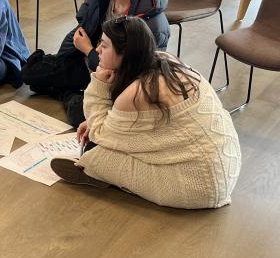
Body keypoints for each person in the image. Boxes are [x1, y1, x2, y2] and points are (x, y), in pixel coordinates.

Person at [51, 16, 241, 209]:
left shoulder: (136, 93)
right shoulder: (165, 60)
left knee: (96, 156)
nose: (97, 50)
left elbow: (100, 134)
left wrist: (98, 84)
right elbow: (153, 128)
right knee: (110, 140)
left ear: (124, 53)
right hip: (226, 165)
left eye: (105, 46)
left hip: (200, 187)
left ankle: (92, 171)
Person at [21, 0, 170, 126]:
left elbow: (132, 76)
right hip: (89, 63)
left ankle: (69, 93)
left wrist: (89, 51)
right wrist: (63, 61)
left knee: (80, 116)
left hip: (114, 81)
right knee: (31, 73)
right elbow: (82, 28)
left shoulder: (152, 25)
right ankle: (73, 90)